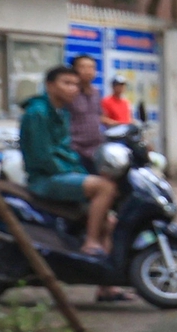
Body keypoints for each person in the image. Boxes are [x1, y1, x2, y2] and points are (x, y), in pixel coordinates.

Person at [21, 65, 120, 259]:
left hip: (63, 174)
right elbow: (43, 157)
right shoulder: (37, 112)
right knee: (105, 188)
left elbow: (67, 151)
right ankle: (90, 242)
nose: (73, 88)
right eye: (66, 83)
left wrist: (79, 173)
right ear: (49, 86)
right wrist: (76, 174)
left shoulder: (62, 112)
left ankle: (107, 288)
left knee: (110, 223)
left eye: (75, 84)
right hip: (45, 179)